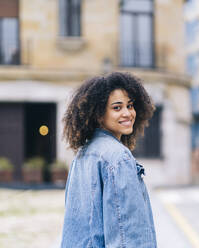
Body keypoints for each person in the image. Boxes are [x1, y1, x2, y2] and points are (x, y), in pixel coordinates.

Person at [61, 72, 157, 247]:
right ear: (98, 114)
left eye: (130, 105)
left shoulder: (83, 154)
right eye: (117, 108)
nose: (128, 113)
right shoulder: (118, 157)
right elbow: (127, 234)